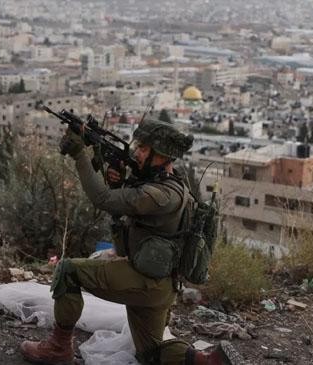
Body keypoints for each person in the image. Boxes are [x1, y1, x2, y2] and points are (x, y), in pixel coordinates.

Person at [19, 119, 235, 364]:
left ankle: (58, 348)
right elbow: (129, 210)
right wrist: (119, 181)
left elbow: (102, 199)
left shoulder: (161, 195)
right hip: (159, 284)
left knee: (68, 271)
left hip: (146, 283)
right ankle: (207, 361)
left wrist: (80, 154)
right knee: (149, 353)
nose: (137, 153)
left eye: (143, 149)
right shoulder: (170, 183)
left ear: (161, 155)